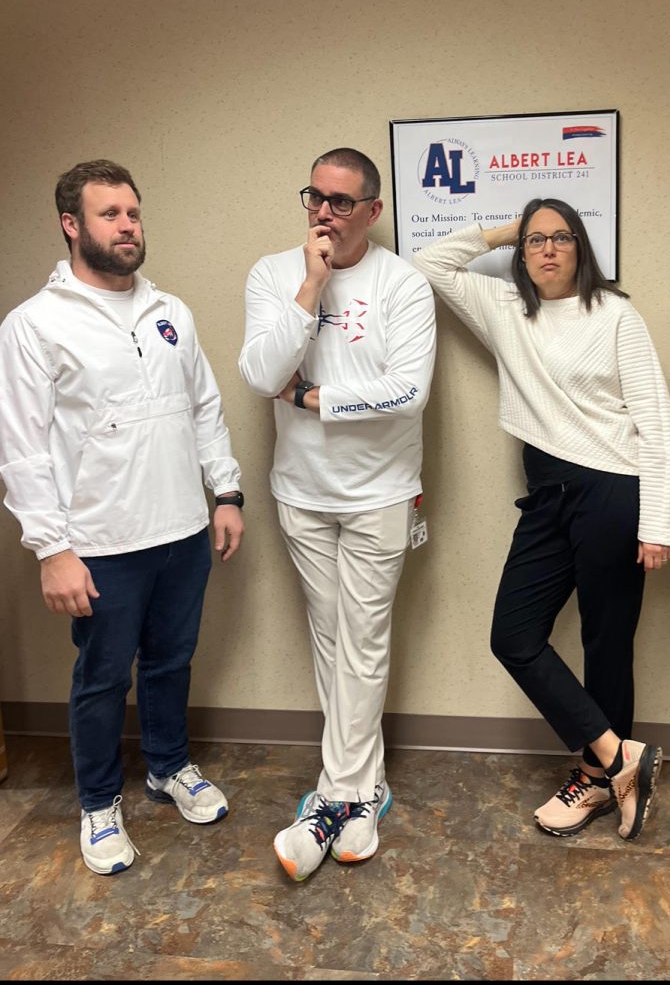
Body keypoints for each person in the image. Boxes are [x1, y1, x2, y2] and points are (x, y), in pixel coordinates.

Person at [0, 159, 244, 875]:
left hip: (182, 532)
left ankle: (169, 768)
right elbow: (21, 449)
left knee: (171, 661)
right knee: (103, 679)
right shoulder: (34, 325)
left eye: (133, 213)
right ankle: (99, 805)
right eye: (110, 214)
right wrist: (50, 548)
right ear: (71, 225)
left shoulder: (169, 311)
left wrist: (224, 493)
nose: (128, 225)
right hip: (100, 544)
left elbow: (203, 407)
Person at [413, 199, 670, 842]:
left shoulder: (615, 312)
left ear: (581, 247)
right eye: (534, 241)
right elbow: (428, 263)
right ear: (520, 254)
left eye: (561, 237)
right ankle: (622, 760)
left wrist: (658, 520)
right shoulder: (505, 308)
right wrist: (505, 229)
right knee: (514, 635)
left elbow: (656, 417)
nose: (548, 250)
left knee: (607, 642)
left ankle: (595, 780)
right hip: (547, 493)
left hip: (615, 489)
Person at [239, 147, 436, 882]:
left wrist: (313, 398)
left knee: (364, 636)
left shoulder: (404, 284)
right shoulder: (272, 274)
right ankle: (366, 791)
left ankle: (333, 796)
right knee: (331, 637)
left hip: (380, 491)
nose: (324, 212)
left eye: (341, 202)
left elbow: (408, 391)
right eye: (314, 198)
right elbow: (260, 373)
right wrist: (310, 286)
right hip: (301, 490)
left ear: (372, 211)